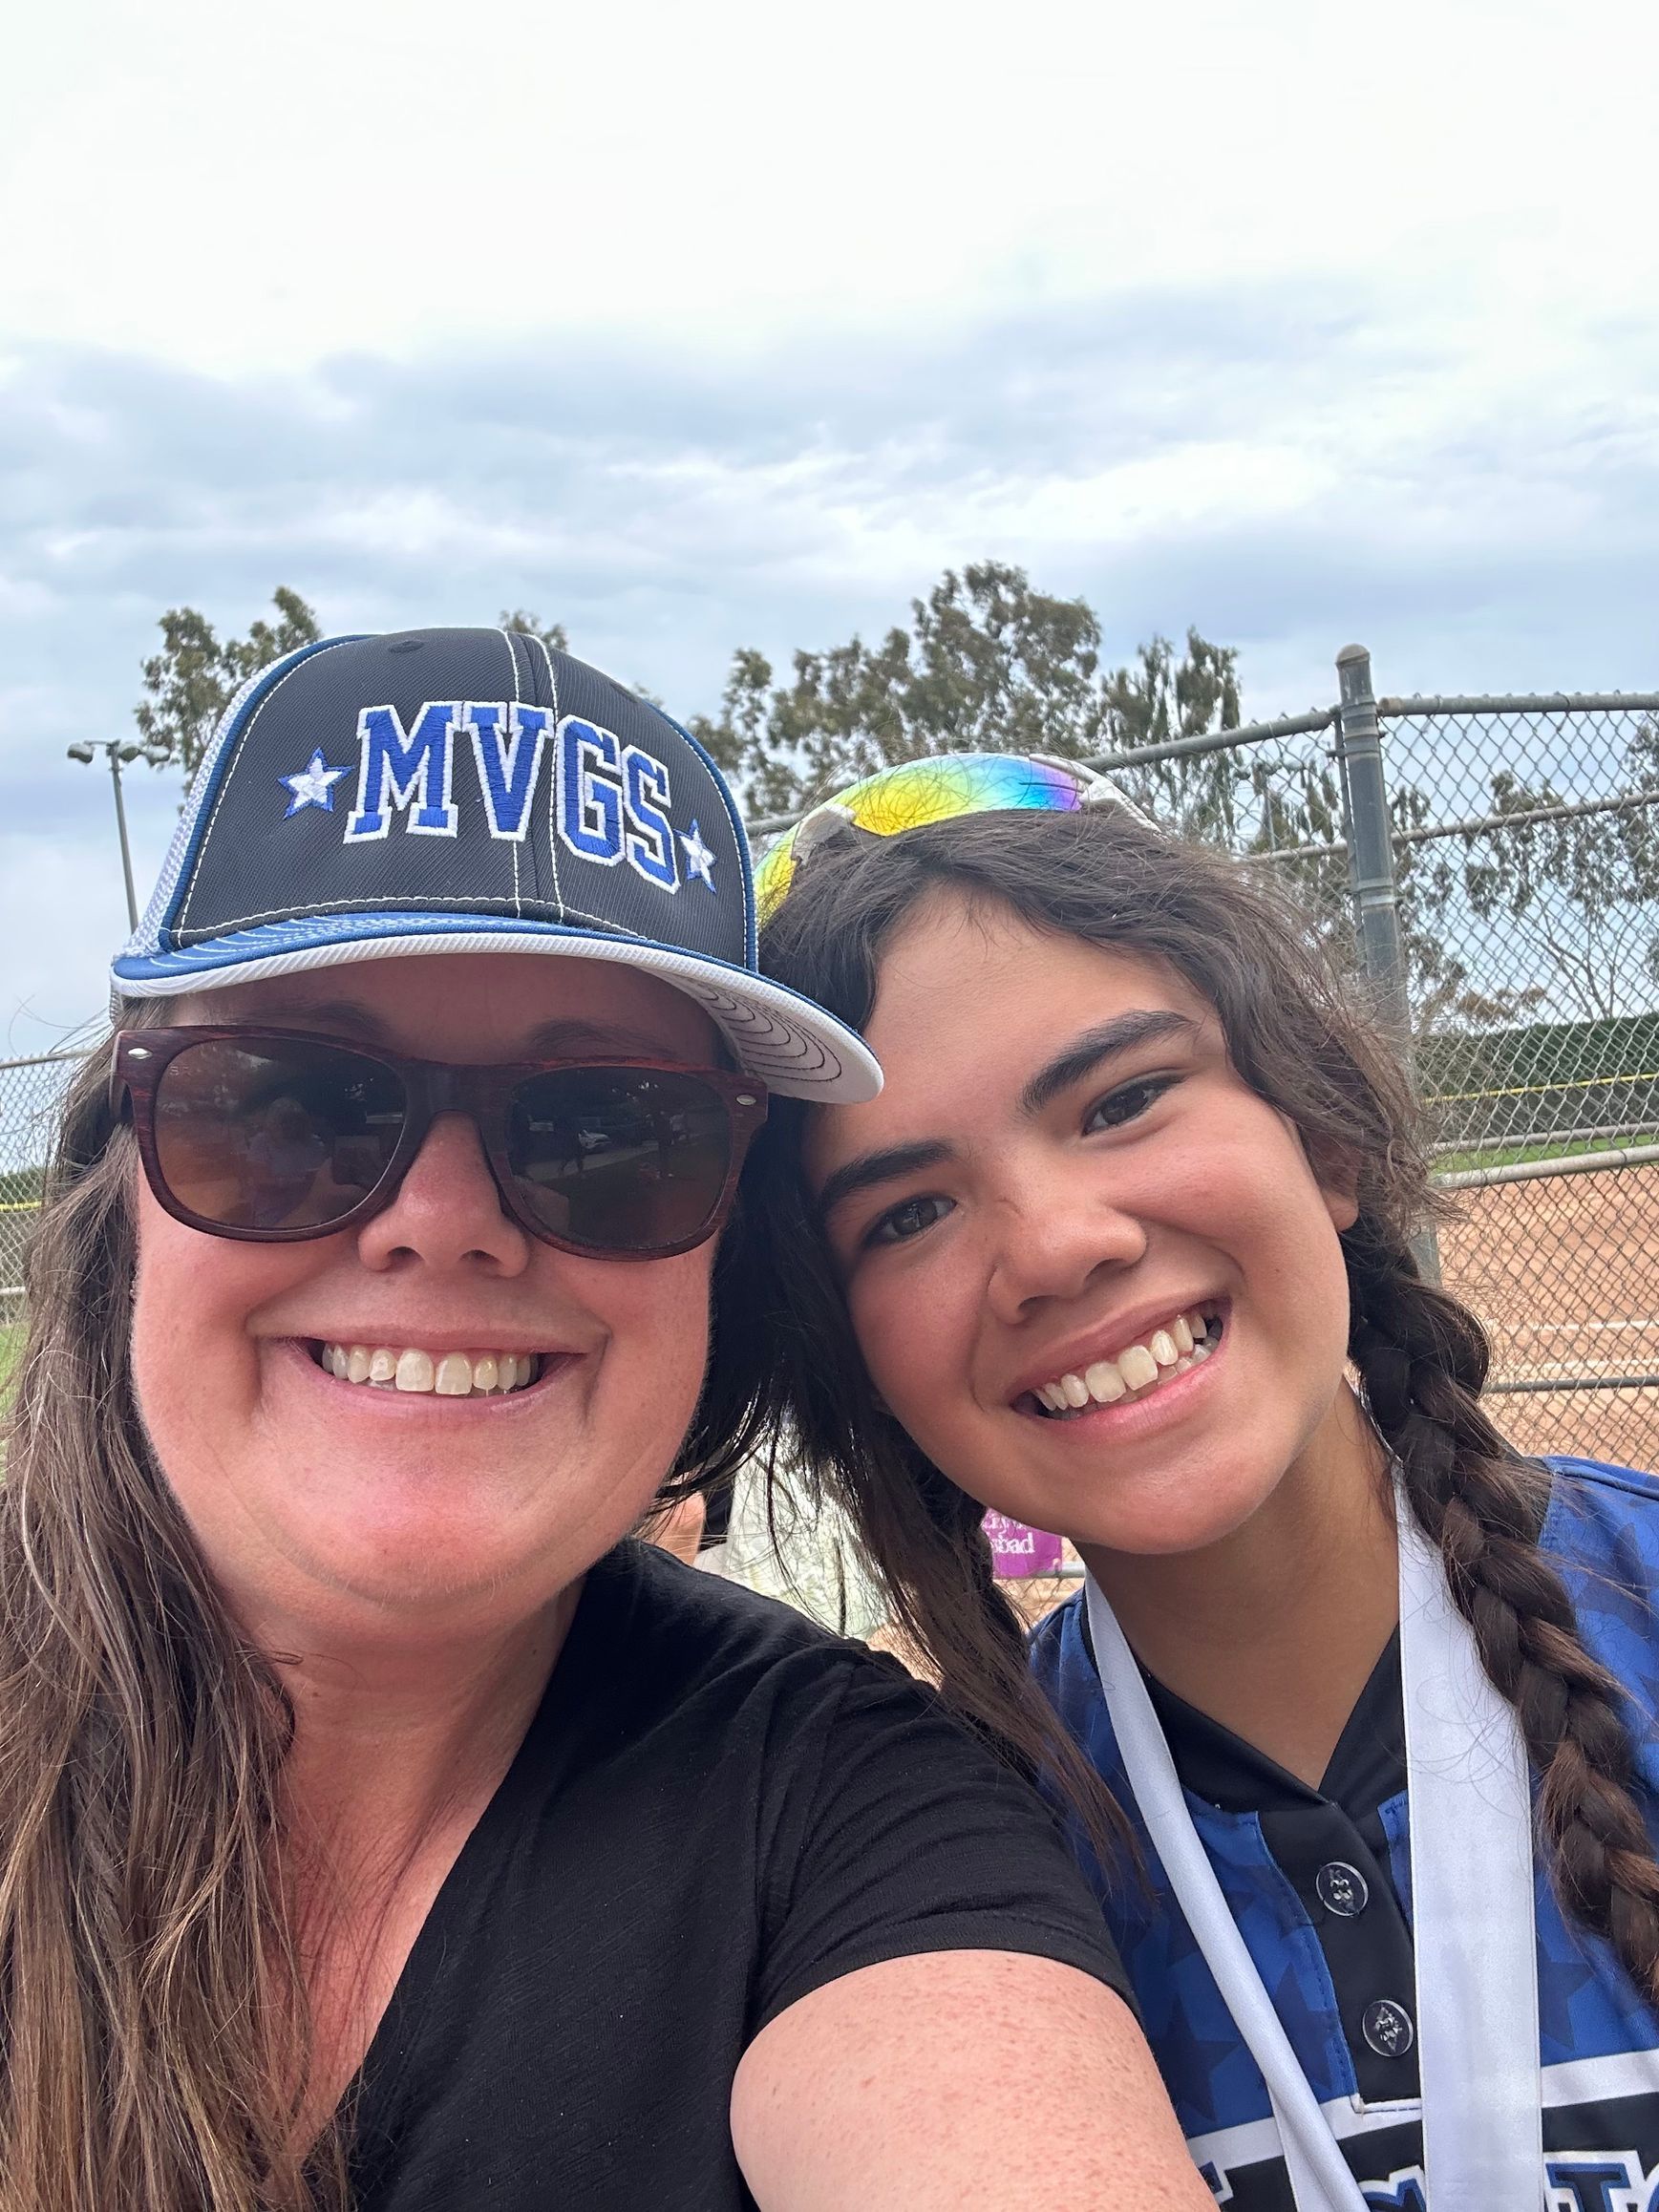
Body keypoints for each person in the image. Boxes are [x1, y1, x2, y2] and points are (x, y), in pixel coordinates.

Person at [0, 645, 1210, 2212]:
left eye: (603, 1132)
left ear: (725, 1255)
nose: (441, 1224)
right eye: (293, 1105)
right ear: (126, 1187)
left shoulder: (841, 1812)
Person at [699, 753, 1659, 2208]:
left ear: (1321, 1139)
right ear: (853, 1363)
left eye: (1121, 1098)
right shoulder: (921, 1875)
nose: (1053, 1245)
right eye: (907, 1210)